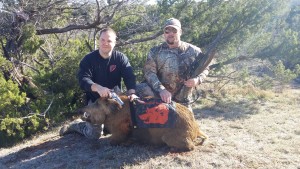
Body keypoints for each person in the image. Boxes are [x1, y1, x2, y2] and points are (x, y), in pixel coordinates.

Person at [60, 27, 137, 139]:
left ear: (115, 42)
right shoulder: (88, 59)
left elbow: (129, 77)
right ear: (98, 40)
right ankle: (74, 126)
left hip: (114, 100)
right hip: (94, 101)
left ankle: (107, 125)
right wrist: (98, 88)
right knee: (94, 135)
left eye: (109, 41)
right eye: (102, 40)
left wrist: (132, 92)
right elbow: (83, 79)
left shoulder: (120, 58)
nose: (105, 43)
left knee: (126, 123)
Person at [136, 18, 209, 111]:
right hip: (160, 97)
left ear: (180, 32)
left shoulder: (194, 51)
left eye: (174, 30)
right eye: (167, 31)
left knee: (187, 124)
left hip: (183, 99)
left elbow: (205, 68)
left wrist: (198, 80)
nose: (170, 34)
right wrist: (161, 90)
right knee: (138, 89)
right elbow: (149, 72)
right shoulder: (155, 51)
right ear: (164, 34)